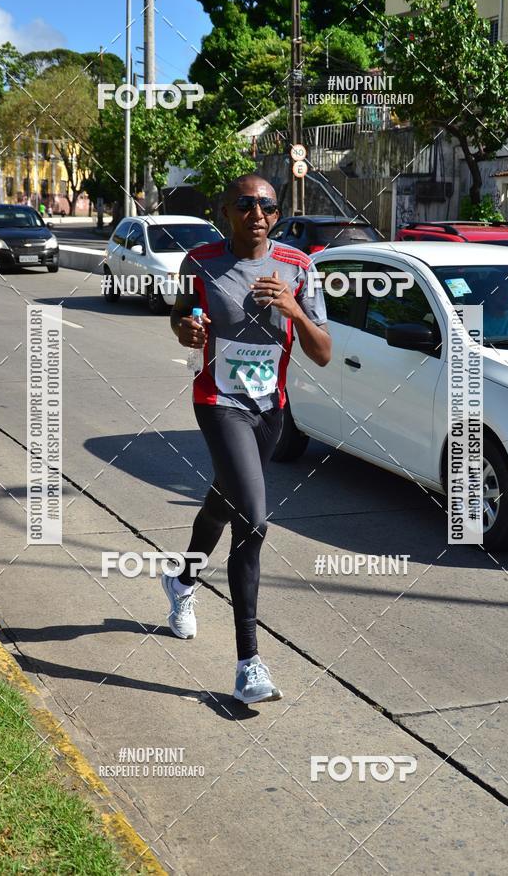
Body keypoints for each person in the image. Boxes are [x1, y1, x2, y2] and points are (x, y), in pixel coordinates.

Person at [166, 174, 331, 704]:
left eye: (267, 206)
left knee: (223, 499)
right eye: (245, 204)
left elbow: (323, 351)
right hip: (218, 403)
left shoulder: (300, 268)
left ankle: (181, 580)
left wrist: (294, 309)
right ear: (226, 211)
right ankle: (248, 663)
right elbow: (181, 317)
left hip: (270, 412)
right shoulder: (200, 262)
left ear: (276, 215)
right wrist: (184, 330)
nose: (257, 213)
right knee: (252, 522)